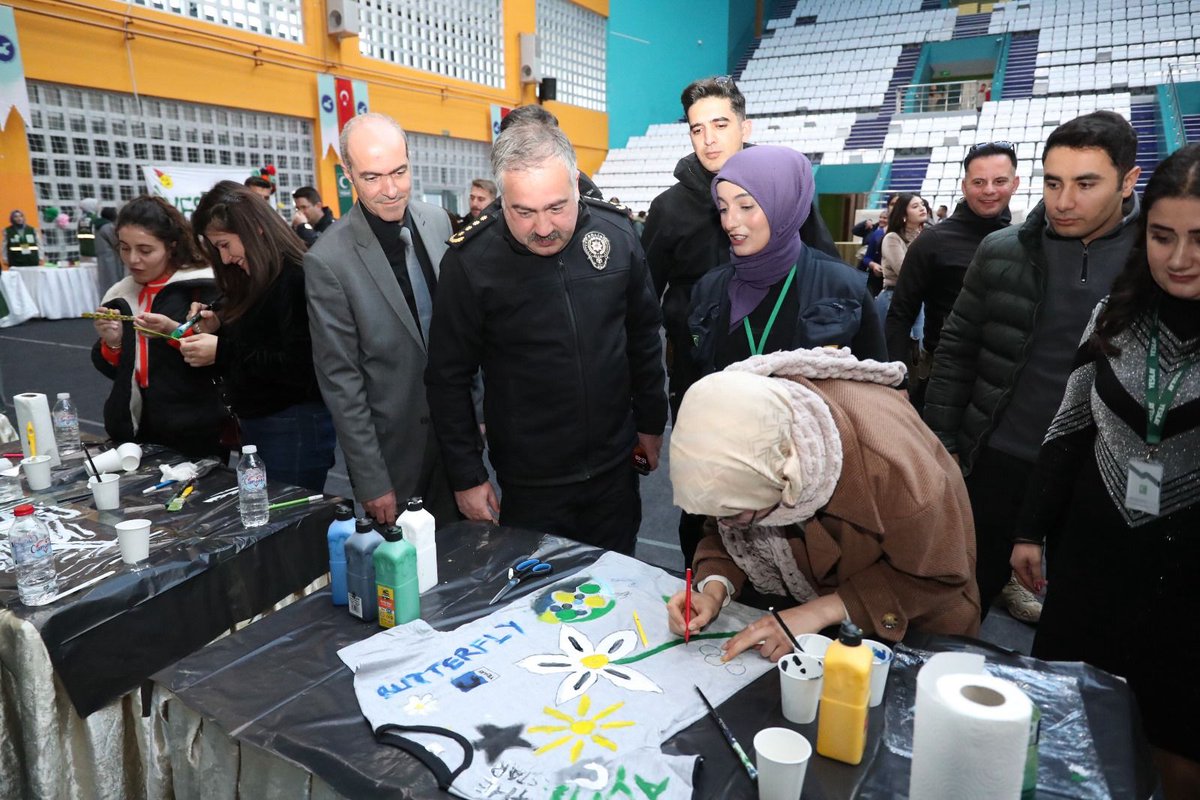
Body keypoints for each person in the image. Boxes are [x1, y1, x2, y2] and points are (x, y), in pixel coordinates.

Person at [1010, 144, 1200, 798]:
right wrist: (1030, 531)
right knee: (1063, 726)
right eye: (1162, 236)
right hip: (1092, 563)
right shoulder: (1115, 314)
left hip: (1188, 588)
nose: (1179, 258)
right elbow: (1067, 430)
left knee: (1174, 752)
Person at [925, 111, 1142, 621]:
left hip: (1098, 472)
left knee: (1085, 616)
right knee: (953, 604)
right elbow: (956, 351)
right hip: (998, 459)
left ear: (1129, 180)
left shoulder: (1157, 260)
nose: (1063, 202)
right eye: (1053, 182)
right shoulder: (1001, 250)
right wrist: (943, 445)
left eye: (1086, 184)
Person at [426, 122, 667, 555]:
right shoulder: (471, 263)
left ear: (576, 183)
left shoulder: (617, 234)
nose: (543, 228)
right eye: (524, 212)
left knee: (617, 588)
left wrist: (651, 423)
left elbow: (644, 336)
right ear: (503, 200)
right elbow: (447, 377)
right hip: (531, 482)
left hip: (616, 468)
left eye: (557, 207)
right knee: (536, 600)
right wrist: (466, 475)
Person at [665, 348, 980, 660]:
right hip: (815, 608)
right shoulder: (748, 438)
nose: (727, 522)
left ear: (785, 476)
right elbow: (726, 526)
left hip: (914, 624)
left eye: (735, 514)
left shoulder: (895, 472)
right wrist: (713, 589)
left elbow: (938, 575)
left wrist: (816, 613)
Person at [642, 75, 841, 568]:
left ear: (744, 126)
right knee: (704, 504)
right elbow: (644, 299)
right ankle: (705, 591)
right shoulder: (668, 209)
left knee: (792, 500)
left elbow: (826, 272)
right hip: (700, 381)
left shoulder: (784, 188)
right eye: (696, 129)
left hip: (783, 380)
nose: (708, 139)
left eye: (719, 124)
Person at [306, 112, 456, 525]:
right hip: (392, 456)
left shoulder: (437, 221)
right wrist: (372, 480)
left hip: (456, 441)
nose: (391, 190)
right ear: (348, 174)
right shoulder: (327, 260)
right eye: (372, 177)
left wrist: (474, 412)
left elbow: (456, 329)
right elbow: (341, 380)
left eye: (400, 172)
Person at [155, 180, 335, 494]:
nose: (224, 258)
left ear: (255, 229)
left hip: (293, 426)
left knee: (288, 524)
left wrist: (222, 350)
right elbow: (259, 345)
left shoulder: (295, 276)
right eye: (216, 248)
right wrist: (216, 330)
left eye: (225, 244)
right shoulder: (251, 279)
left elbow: (301, 367)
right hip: (263, 423)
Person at [688, 145, 887, 383]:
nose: (729, 222)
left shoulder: (844, 288)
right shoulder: (709, 289)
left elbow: (878, 392)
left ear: (784, 203)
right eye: (723, 208)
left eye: (746, 206)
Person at [886, 142, 1019, 411]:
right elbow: (900, 315)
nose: (990, 190)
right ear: (964, 186)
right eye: (979, 182)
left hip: (1010, 384)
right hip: (945, 382)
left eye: (1000, 181)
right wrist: (897, 383)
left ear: (1015, 184)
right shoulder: (933, 242)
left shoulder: (1026, 239)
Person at [90, 196, 225, 457]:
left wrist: (171, 331)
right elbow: (116, 371)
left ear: (172, 246)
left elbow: (221, 353)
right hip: (137, 425)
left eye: (145, 250)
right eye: (124, 248)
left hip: (196, 425)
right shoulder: (120, 293)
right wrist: (113, 343)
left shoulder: (201, 286)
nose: (133, 259)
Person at [876, 192, 927, 328]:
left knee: (918, 346)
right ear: (904, 215)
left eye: (922, 204)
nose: (922, 208)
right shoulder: (892, 238)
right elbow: (905, 272)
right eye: (915, 206)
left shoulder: (926, 235)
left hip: (918, 299)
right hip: (894, 298)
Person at [94, 206, 123, 294]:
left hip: (102, 255)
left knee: (105, 279)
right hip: (110, 257)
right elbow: (115, 242)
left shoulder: (98, 225)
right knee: (113, 278)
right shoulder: (107, 227)